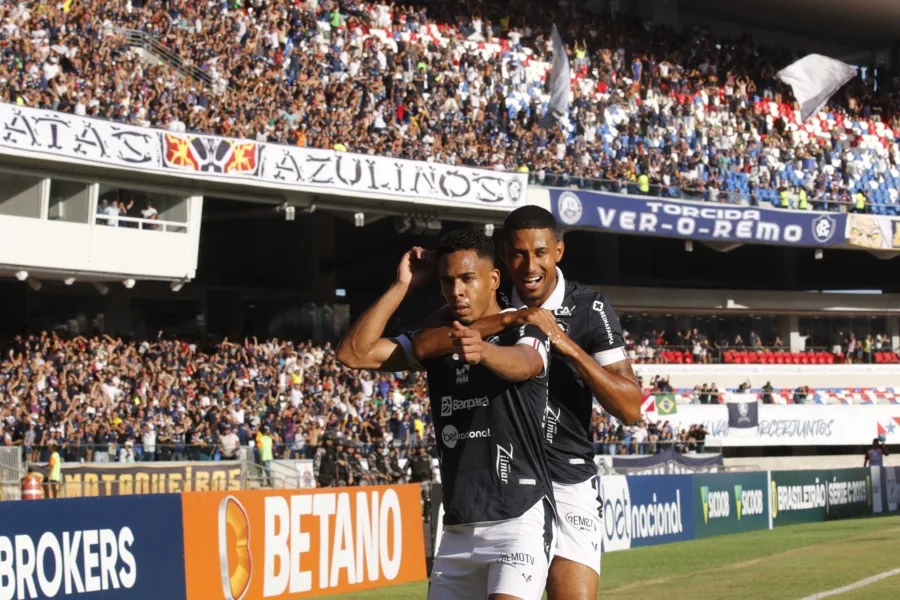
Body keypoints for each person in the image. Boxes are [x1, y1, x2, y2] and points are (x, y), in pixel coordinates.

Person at [412, 206, 641, 600]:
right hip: (504, 487)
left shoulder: (589, 308)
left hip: (566, 478)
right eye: (518, 253)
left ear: (558, 252)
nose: (529, 265)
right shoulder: (488, 298)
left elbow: (630, 407)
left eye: (540, 252)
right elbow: (426, 342)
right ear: (502, 255)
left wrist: (565, 345)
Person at [337, 229, 557, 600]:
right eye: (446, 280)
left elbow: (526, 364)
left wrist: (485, 352)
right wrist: (401, 284)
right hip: (457, 529)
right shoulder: (436, 340)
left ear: (493, 279)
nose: (456, 290)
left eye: (467, 279)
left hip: (518, 519)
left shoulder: (525, 323)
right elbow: (354, 354)